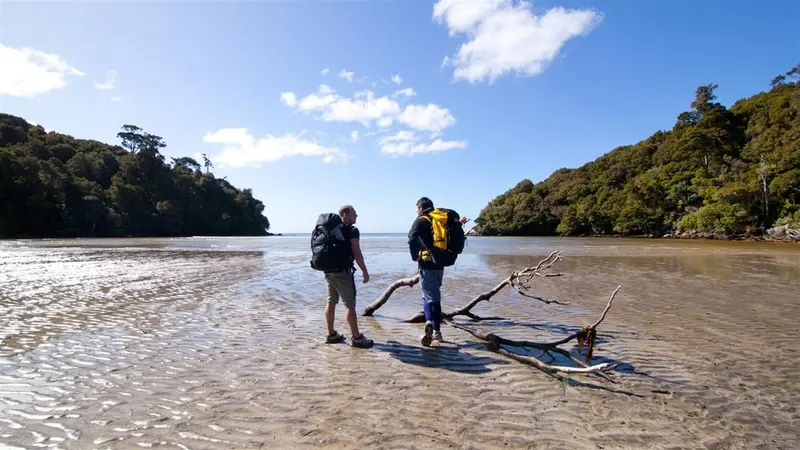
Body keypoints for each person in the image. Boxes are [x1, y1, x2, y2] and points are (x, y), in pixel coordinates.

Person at [407, 197, 468, 347]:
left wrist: (415, 256)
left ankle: (436, 331)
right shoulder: (443, 219)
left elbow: (411, 239)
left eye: (417, 208)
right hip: (442, 261)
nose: (416, 211)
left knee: (432, 297)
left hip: (426, 263)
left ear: (421, 208)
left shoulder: (421, 220)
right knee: (430, 294)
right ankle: (431, 324)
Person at [323, 204, 373, 348]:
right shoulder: (352, 230)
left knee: (331, 302)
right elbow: (356, 251)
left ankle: (331, 334)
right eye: (354, 213)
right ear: (345, 215)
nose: (356, 216)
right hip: (342, 272)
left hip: (328, 270)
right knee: (350, 305)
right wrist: (364, 270)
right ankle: (357, 338)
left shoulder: (331, 230)